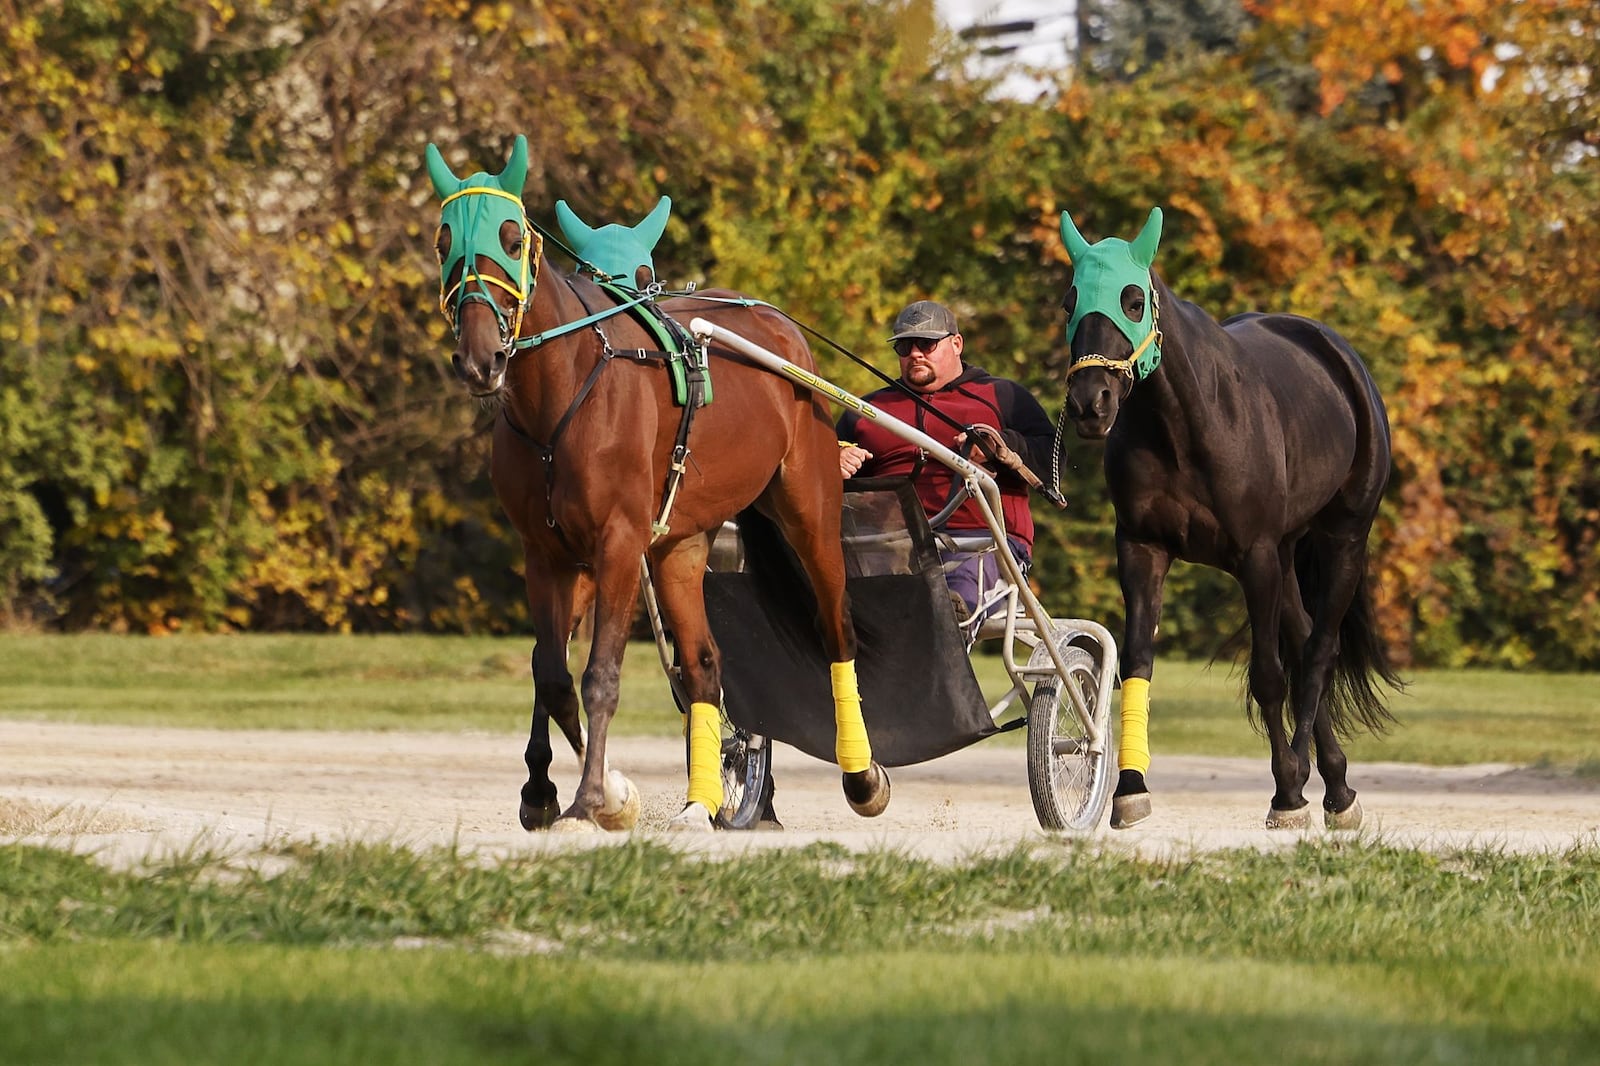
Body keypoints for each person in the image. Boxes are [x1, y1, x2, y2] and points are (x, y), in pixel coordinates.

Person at [836, 299, 1057, 621]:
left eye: (926, 343)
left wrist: (1000, 446)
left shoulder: (1003, 395)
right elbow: (814, 460)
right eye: (904, 346)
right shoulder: (867, 410)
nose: (914, 353)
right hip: (889, 544)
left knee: (955, 593)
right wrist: (835, 458)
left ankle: (950, 619)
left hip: (982, 541)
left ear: (956, 343)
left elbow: (1053, 461)